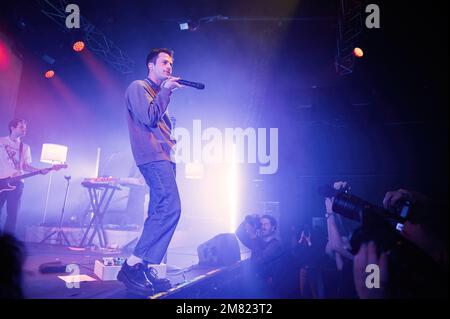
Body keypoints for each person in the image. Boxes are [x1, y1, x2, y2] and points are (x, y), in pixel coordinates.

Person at [118, 48, 184, 295]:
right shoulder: (138, 87)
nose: (169, 66)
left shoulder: (156, 92)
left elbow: (157, 119)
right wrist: (167, 90)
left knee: (159, 210)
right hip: (152, 157)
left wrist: (165, 93)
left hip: (163, 156)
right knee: (171, 207)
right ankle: (132, 264)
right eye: (164, 62)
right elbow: (147, 117)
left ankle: (143, 266)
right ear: (151, 66)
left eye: (171, 63)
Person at [0, 119, 49, 235]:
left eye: (25, 127)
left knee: (13, 214)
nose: (24, 129)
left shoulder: (25, 147)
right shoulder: (1, 141)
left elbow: (25, 165)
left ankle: (7, 244)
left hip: (16, 183)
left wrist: (39, 170)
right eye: (21, 127)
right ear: (12, 127)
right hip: (1, 180)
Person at [236, 214, 286, 297]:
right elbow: (239, 232)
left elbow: (259, 260)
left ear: (273, 228)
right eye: (261, 224)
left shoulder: (276, 244)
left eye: (266, 224)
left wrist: (253, 237)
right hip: (257, 285)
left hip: (269, 289)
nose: (263, 227)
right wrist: (248, 220)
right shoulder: (258, 242)